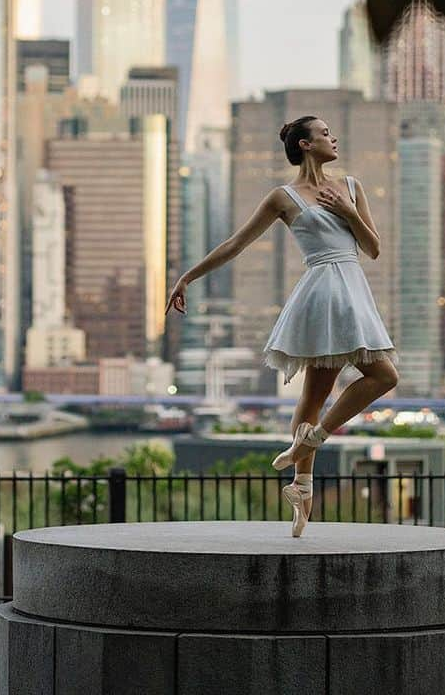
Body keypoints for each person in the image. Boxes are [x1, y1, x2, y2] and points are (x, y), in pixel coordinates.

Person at [166, 115, 398, 537]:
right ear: (306, 145)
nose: (333, 137)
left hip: (352, 289)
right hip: (321, 291)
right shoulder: (284, 197)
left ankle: (310, 443)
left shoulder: (352, 187)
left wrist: (348, 211)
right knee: (314, 397)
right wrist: (187, 278)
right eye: (325, 133)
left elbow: (374, 248)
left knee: (382, 377)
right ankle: (302, 487)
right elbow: (235, 244)